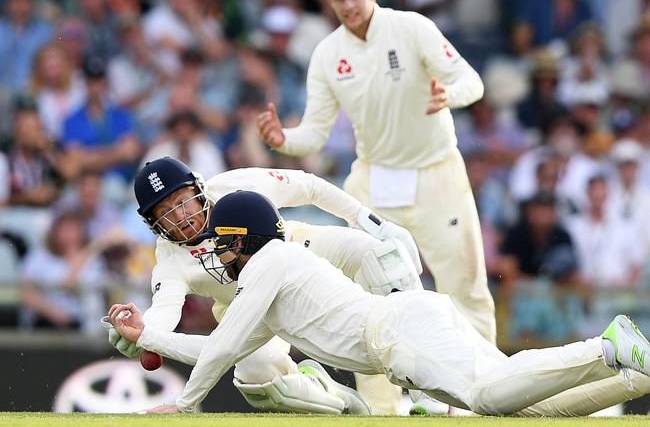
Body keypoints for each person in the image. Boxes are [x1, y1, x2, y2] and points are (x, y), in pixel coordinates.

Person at [109, 190, 650, 416]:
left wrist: (184, 405)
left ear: (244, 237)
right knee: (528, 408)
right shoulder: (266, 287)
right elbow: (218, 346)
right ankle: (638, 374)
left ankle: (605, 347)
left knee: (488, 399)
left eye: (224, 242)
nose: (218, 253)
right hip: (406, 328)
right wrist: (147, 336)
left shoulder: (269, 262)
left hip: (397, 335)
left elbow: (222, 344)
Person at [256, 0, 495, 413]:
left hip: (436, 173)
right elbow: (315, 132)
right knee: (364, 297)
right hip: (373, 180)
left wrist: (451, 95)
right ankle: (382, 409)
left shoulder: (412, 28)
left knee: (464, 287)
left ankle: (479, 396)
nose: (348, 4)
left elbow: (472, 80)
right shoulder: (328, 54)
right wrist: (283, 140)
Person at [104, 156, 423, 415]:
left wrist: (369, 221)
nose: (182, 216)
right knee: (259, 384)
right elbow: (164, 310)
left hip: (300, 247)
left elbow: (308, 186)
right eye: (166, 212)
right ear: (153, 223)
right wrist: (144, 333)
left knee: (381, 256)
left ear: (197, 189)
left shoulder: (233, 186)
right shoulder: (170, 257)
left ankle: (426, 395)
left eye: (183, 201)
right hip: (252, 306)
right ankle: (338, 401)